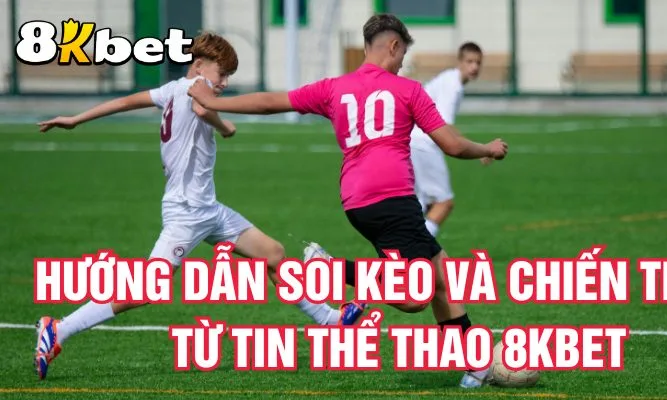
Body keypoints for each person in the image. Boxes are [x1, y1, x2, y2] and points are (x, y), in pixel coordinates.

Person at [187, 14, 508, 388]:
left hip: (357, 199)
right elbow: (452, 145)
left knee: (442, 279)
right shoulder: (408, 90)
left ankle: (474, 368)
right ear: (393, 46)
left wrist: (214, 100)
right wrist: (488, 148)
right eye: (402, 53)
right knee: (414, 296)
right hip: (393, 198)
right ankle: (328, 270)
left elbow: (271, 102)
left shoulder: (335, 87)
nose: (402, 62)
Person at [33, 32, 365, 381]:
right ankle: (59, 328)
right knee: (147, 289)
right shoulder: (195, 89)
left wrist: (77, 118)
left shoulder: (171, 89)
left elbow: (127, 101)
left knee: (273, 253)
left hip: (209, 210)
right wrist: (224, 126)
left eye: (228, 76)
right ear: (199, 65)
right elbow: (201, 107)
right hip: (187, 213)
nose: (224, 83)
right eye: (222, 74)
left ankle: (329, 319)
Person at [410, 42, 486, 237]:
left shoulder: (449, 80)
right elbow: (444, 126)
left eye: (478, 62)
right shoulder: (453, 85)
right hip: (424, 144)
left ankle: (406, 248)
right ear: (459, 62)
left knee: (422, 205)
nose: (474, 67)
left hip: (413, 142)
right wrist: (480, 150)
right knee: (444, 203)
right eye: (469, 61)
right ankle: (418, 248)